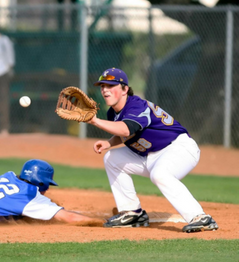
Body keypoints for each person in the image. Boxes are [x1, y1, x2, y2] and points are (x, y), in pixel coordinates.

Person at [87, 67, 219, 233]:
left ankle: (200, 217)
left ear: (124, 89)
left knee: (160, 174)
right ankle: (132, 213)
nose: (105, 90)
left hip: (179, 148)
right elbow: (126, 133)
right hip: (150, 155)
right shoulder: (112, 113)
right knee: (111, 158)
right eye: (102, 86)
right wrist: (109, 143)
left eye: (110, 85)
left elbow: (127, 129)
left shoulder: (136, 106)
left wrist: (94, 121)